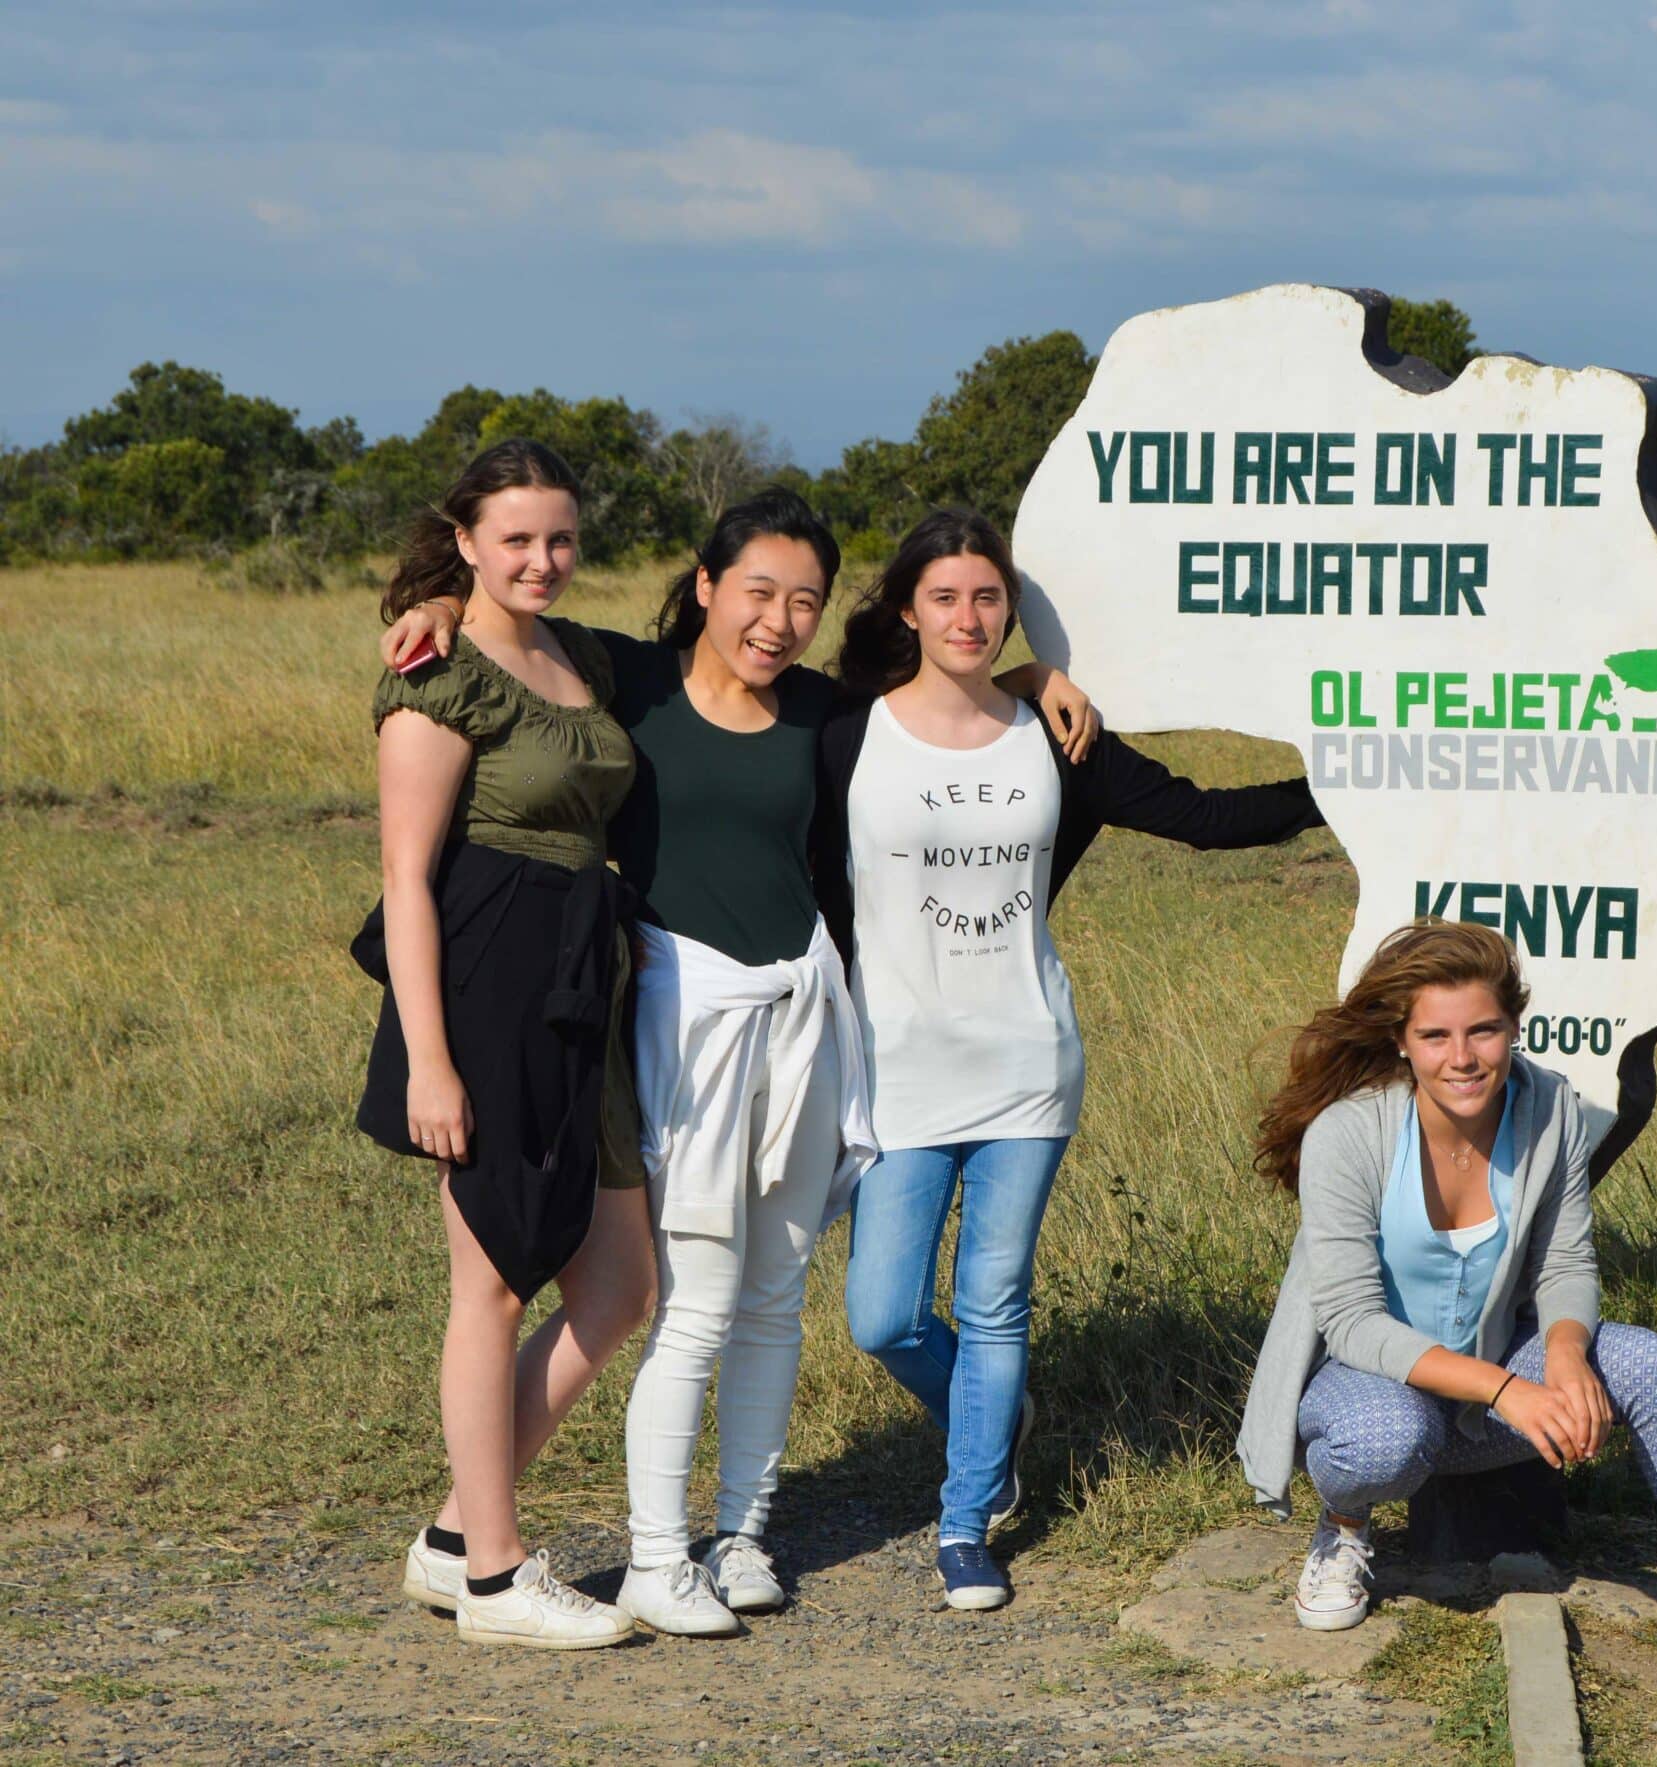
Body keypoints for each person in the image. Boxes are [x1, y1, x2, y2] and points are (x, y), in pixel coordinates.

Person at [376, 493, 1096, 1639]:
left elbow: (931, 697)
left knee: (776, 1292)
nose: (779, 621)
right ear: (705, 587)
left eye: (804, 600)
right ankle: (658, 1559)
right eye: (757, 591)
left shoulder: (821, 713)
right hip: (681, 1014)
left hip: (805, 1013)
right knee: (690, 1295)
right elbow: (518, 619)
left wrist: (1026, 680)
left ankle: (742, 1532)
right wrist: (438, 603)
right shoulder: (638, 683)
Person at [819, 507, 1325, 1613]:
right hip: (894, 1068)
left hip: (1025, 1064)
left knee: (996, 1302)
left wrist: (1358, 784)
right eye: (944, 597)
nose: (967, 616)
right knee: (884, 1316)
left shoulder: (1052, 733)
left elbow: (1202, 817)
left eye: (988, 598)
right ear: (906, 609)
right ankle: (991, 1413)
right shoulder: (845, 734)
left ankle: (968, 1521)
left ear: (1013, 612)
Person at [1236, 920, 1657, 1704]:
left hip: (1494, 1379)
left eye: (1484, 1030)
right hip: (1370, 1389)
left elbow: (1566, 1262)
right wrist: (1507, 1390)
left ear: (1514, 1025)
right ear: (1401, 1040)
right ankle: (1345, 1527)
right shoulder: (1348, 1132)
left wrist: (1562, 1357)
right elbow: (1352, 1320)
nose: (1463, 1056)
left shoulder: (1550, 1105)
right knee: (1389, 1436)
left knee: (1647, 1360)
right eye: (1436, 1035)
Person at [356, 438, 649, 1648]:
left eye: (560, 538)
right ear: (467, 540)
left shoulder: (581, 654)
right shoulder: (440, 674)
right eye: (515, 538)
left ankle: (450, 1534)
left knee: (622, 1282)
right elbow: (407, 880)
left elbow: (732, 639)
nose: (542, 559)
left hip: (589, 980)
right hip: (486, 985)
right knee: (490, 1280)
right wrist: (431, 1060)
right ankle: (492, 1578)